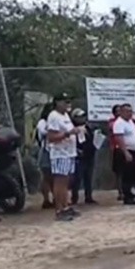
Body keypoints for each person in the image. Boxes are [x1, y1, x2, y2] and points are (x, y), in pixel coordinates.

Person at [45, 93, 83, 222]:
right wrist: (68, 133)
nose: (67, 104)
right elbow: (51, 137)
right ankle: (59, 209)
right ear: (57, 102)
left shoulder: (65, 115)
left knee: (66, 181)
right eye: (64, 102)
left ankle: (66, 206)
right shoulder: (53, 116)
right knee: (59, 181)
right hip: (60, 153)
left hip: (69, 152)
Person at [112, 104, 135, 205]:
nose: (129, 113)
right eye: (127, 111)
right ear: (121, 112)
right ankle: (127, 196)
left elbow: (133, 132)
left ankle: (134, 194)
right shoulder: (119, 123)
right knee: (127, 175)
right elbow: (119, 138)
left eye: (131, 111)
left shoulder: (130, 122)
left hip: (134, 150)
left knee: (134, 174)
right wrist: (125, 152)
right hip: (125, 151)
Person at [69, 108, 98, 205]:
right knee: (77, 178)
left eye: (83, 116)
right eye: (79, 117)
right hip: (79, 156)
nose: (82, 118)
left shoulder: (88, 127)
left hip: (89, 154)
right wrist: (77, 150)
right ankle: (74, 197)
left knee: (88, 177)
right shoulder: (72, 128)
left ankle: (88, 196)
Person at [36, 102, 54, 209]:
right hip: (46, 150)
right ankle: (46, 199)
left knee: (55, 176)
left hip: (55, 150)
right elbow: (43, 132)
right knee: (46, 176)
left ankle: (56, 197)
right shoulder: (42, 122)